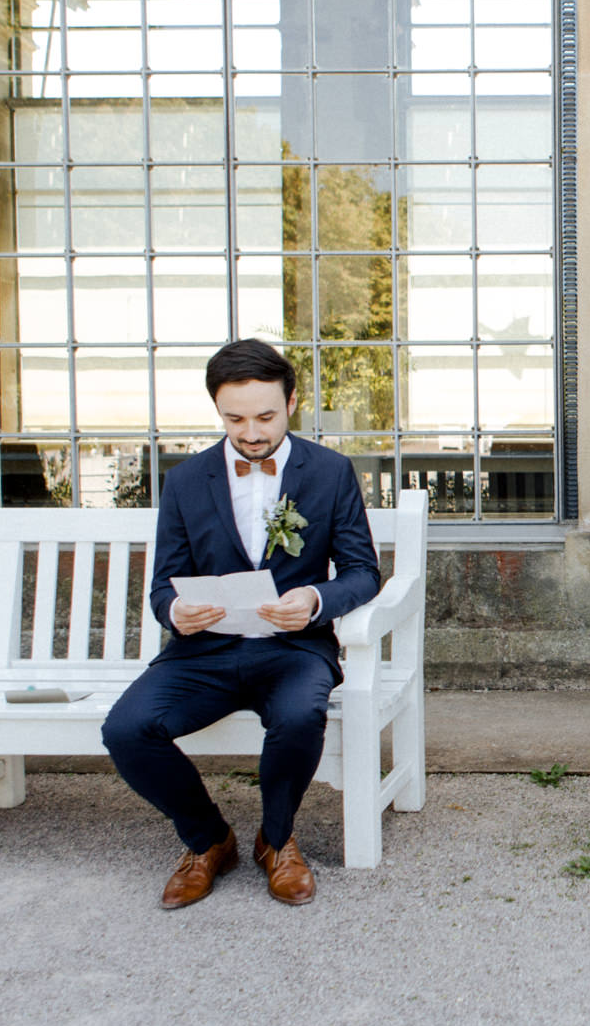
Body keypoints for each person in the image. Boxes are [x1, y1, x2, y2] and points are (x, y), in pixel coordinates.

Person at [103, 339, 381, 909]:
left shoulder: (329, 472)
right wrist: (175, 611)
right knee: (126, 728)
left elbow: (362, 572)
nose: (251, 432)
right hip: (203, 652)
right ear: (217, 410)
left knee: (300, 715)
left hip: (293, 649)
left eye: (265, 416)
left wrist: (313, 598)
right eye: (234, 418)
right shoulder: (185, 481)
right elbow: (164, 582)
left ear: (291, 403)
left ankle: (276, 840)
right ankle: (208, 840)